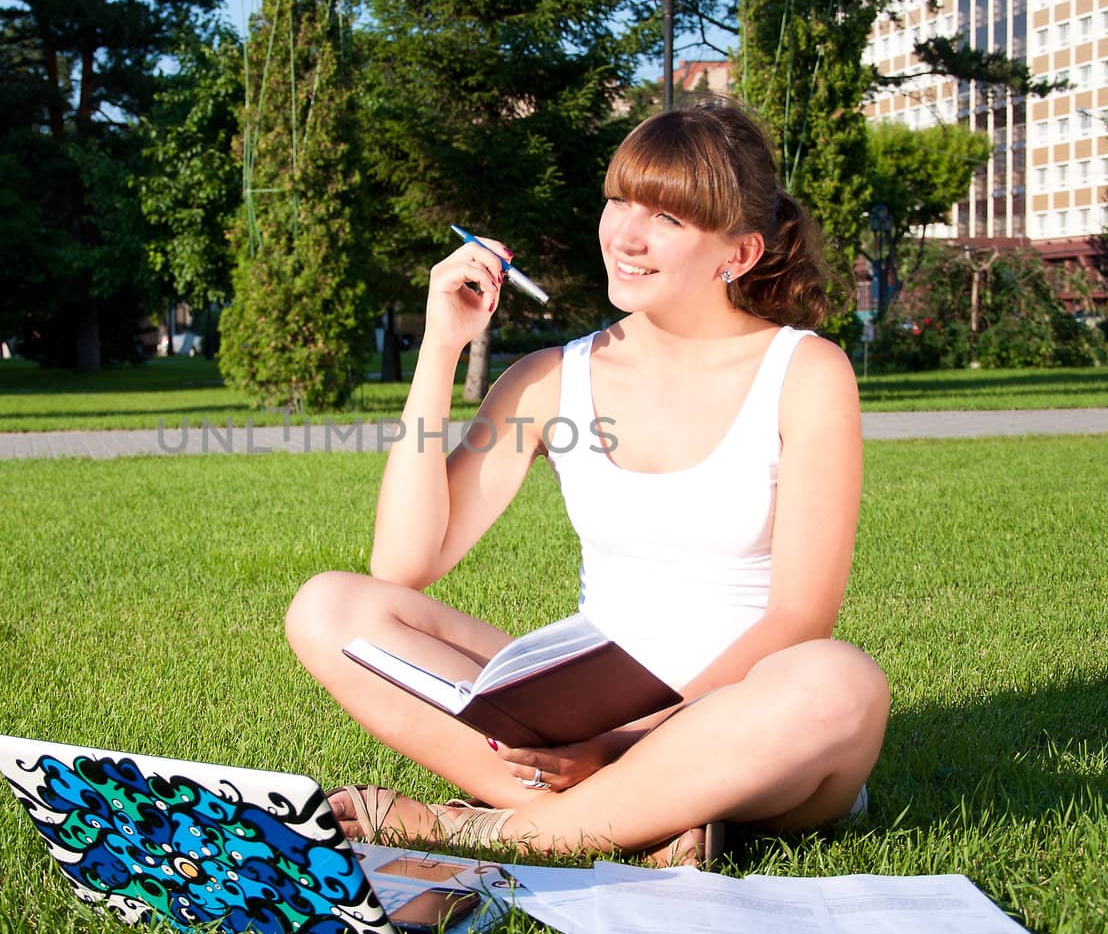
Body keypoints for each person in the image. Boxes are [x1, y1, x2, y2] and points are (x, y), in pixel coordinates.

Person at [284, 100, 889, 864]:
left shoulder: (804, 373)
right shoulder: (549, 379)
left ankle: (483, 827)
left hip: (737, 719)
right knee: (329, 607)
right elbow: (403, 565)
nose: (626, 236)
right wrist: (440, 349)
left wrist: (622, 743)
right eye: (619, 201)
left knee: (840, 682)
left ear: (737, 254)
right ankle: (646, 821)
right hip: (576, 716)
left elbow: (798, 618)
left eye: (667, 217)